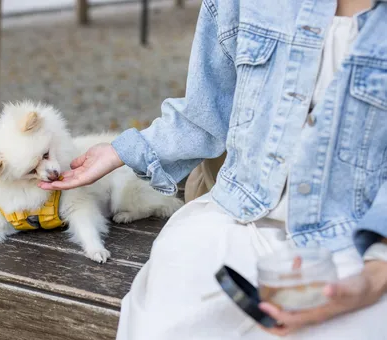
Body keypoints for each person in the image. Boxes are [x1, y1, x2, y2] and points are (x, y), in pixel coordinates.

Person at [39, 0, 387, 338]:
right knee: (171, 309)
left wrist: (373, 277)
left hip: (362, 241)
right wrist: (120, 153)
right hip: (237, 218)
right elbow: (206, 114)